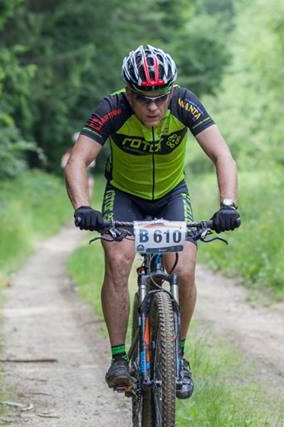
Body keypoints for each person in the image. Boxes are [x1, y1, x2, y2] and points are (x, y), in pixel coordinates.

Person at [64, 44, 239, 399]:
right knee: (117, 260)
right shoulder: (111, 108)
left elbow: (222, 154)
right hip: (125, 196)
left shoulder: (185, 103)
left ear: (171, 91)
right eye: (144, 98)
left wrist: (228, 204)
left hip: (172, 196)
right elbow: (78, 161)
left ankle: (180, 357)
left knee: (184, 269)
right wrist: (83, 207)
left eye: (161, 97)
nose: (154, 106)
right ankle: (117, 359)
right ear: (129, 93)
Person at [61, 132, 95, 199]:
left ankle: (88, 202)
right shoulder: (70, 151)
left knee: (90, 185)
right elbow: (63, 162)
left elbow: (92, 163)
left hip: (86, 172)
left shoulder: (87, 150)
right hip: (76, 173)